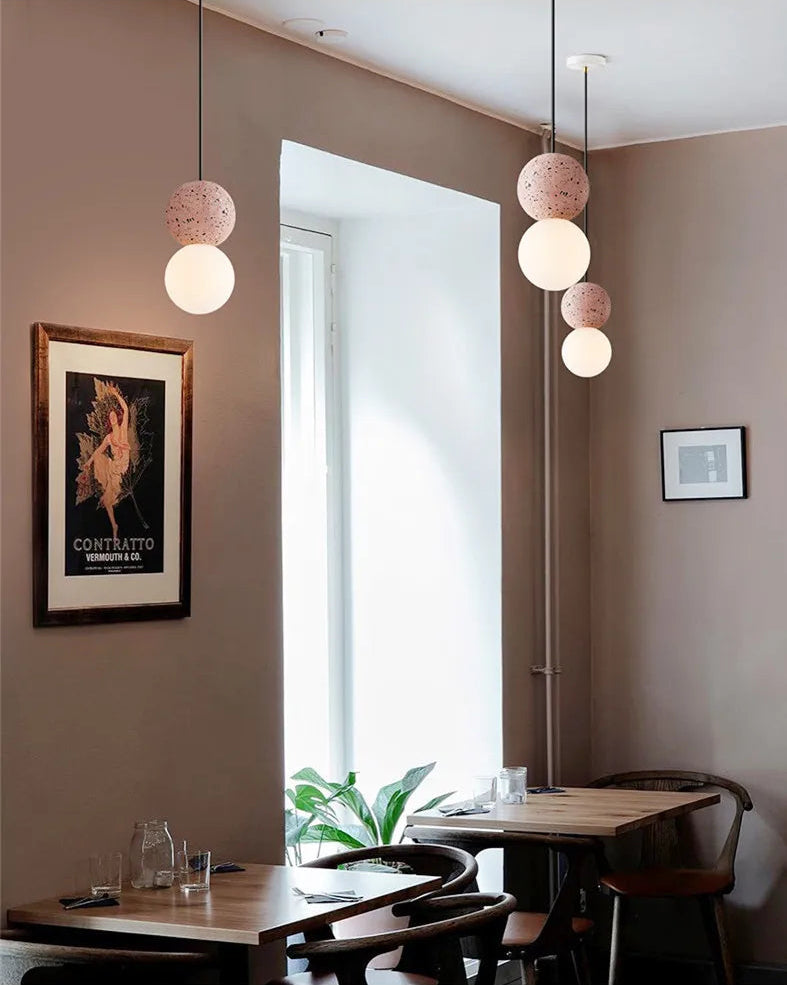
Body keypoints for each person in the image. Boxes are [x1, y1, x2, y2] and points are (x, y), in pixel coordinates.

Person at [80, 384, 130, 540]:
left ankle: (115, 524)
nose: (112, 417)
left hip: (122, 467)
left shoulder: (123, 430)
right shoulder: (109, 438)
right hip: (113, 466)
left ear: (118, 417)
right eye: (110, 417)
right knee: (107, 502)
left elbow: (126, 409)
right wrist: (88, 462)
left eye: (114, 415)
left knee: (108, 499)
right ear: (109, 421)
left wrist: (116, 394)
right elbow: (98, 451)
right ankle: (114, 525)